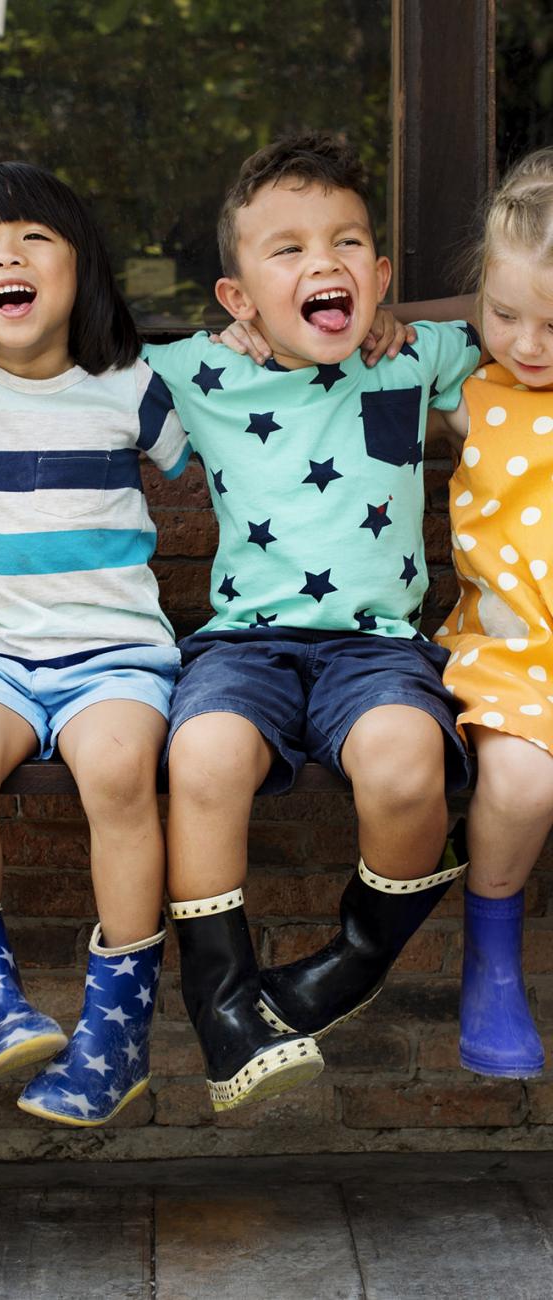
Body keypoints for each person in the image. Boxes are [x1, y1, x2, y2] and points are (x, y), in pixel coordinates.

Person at [0, 161, 315, 1126]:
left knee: (115, 772)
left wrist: (268, 333)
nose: (6, 255)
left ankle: (115, 1032)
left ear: (81, 268)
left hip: (117, 654)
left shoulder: (131, 387)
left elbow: (231, 422)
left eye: (33, 238)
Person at [135, 132, 481, 1104]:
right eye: (285, 249)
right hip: (247, 645)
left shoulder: (413, 357)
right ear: (238, 297)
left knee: (410, 768)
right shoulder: (199, 370)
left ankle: (354, 960)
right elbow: (71, 358)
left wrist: (409, 314)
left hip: (377, 651)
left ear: (375, 275)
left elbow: (519, 320)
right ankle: (223, 1003)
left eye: (344, 246)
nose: (320, 263)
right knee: (201, 756)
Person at [430, 147, 553, 1079]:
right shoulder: (469, 393)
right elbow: (366, 331)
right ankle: (494, 958)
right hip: (511, 651)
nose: (526, 343)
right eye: (503, 314)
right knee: (521, 785)